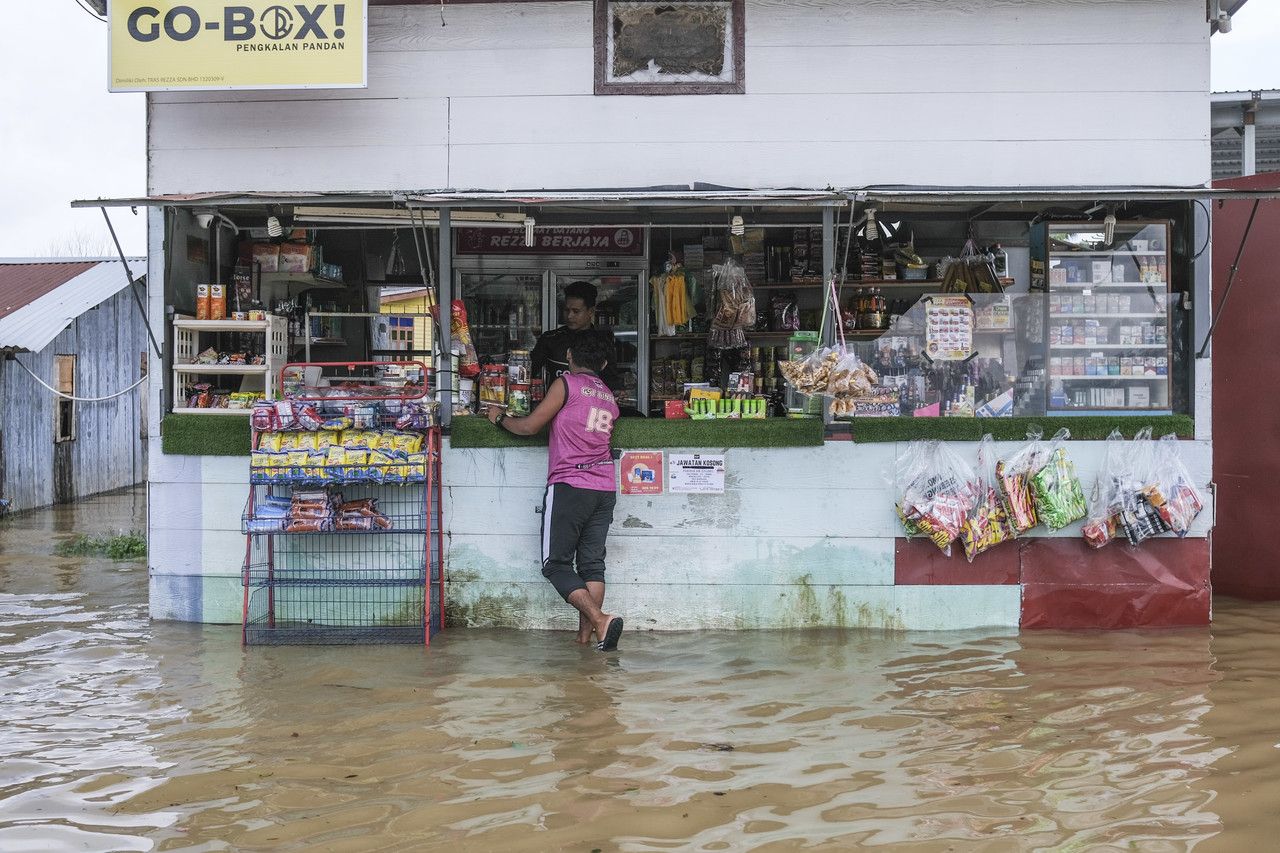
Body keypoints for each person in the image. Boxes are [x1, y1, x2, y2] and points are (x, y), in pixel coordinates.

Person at [487, 334, 624, 652]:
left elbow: (529, 427)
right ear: (603, 364)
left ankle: (601, 620)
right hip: (604, 487)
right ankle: (585, 639)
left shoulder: (566, 384)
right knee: (591, 565)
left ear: (569, 356)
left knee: (556, 565)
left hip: (570, 486)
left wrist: (499, 418)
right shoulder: (608, 396)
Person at [531, 281, 625, 397]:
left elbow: (611, 382)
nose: (570, 316)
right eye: (566, 310)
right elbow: (529, 372)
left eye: (576, 311)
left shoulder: (602, 342)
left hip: (590, 409)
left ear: (590, 311)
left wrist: (618, 392)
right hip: (554, 409)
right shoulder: (550, 339)